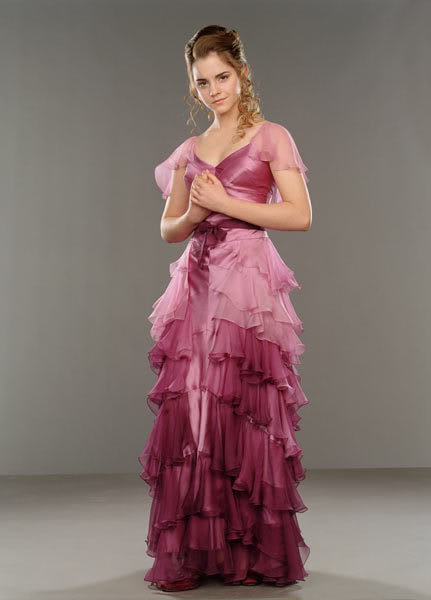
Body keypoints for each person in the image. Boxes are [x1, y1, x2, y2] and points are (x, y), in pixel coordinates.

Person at [138, 24, 312, 592]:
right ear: (193, 87)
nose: (214, 90)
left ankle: (253, 552)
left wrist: (226, 202)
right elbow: (169, 228)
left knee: (247, 407)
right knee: (196, 409)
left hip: (246, 284)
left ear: (242, 74)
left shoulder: (271, 137)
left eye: (222, 77)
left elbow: (300, 215)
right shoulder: (189, 151)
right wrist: (196, 212)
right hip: (198, 280)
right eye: (203, 82)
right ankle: (201, 552)